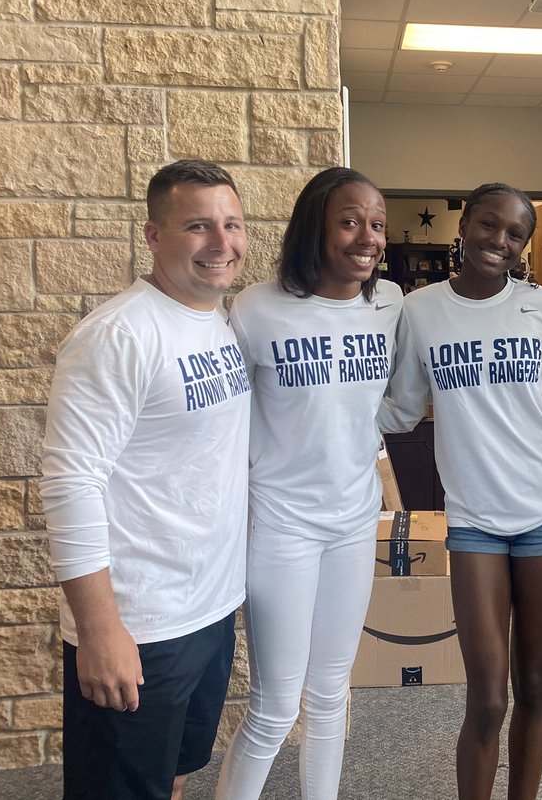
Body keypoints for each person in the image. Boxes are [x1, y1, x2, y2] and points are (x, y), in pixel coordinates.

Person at [40, 159, 252, 800]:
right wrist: (100, 630)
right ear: (154, 237)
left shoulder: (216, 321)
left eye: (231, 224)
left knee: (175, 769)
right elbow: (71, 481)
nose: (221, 243)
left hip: (209, 609)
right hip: (140, 623)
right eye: (197, 226)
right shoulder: (117, 335)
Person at [379, 183, 542, 800]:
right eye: (489, 225)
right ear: (464, 224)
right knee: (488, 696)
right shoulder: (420, 311)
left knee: (534, 683)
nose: (500, 240)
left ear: (524, 245)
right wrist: (329, 416)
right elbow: (402, 406)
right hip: (472, 520)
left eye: (515, 233)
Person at [215, 167, 402, 800]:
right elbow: (222, 424)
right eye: (349, 222)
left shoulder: (390, 304)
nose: (367, 237)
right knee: (273, 705)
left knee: (332, 695)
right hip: (280, 525)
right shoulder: (256, 308)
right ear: (313, 228)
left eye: (377, 224)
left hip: (354, 521)